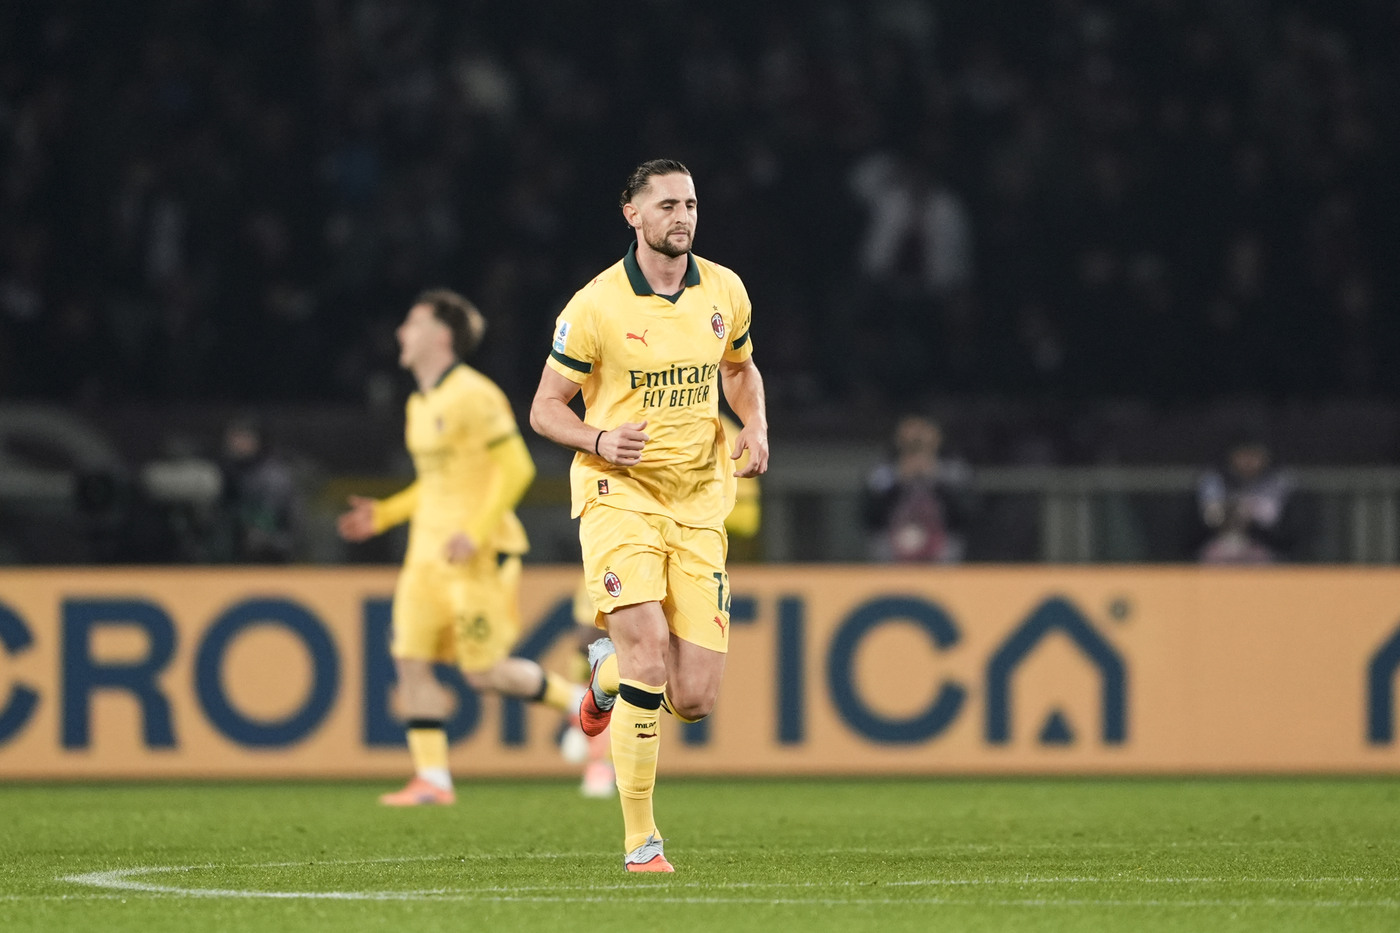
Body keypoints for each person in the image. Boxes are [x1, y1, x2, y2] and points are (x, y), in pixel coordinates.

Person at [530, 159, 770, 872]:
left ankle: (601, 678)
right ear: (631, 214)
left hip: (699, 501)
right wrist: (599, 438)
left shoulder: (724, 288)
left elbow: (738, 367)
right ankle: (642, 841)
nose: (683, 216)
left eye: (691, 203)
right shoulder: (594, 306)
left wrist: (754, 425)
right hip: (618, 494)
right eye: (667, 204)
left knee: (692, 697)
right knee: (646, 651)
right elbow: (544, 408)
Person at [338, 289, 581, 806]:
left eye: (412, 322)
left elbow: (519, 467)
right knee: (410, 660)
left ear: (441, 336)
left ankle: (581, 702)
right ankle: (434, 779)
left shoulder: (475, 393)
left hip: (477, 554)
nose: (402, 333)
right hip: (425, 557)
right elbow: (435, 482)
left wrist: (476, 529)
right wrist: (384, 514)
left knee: (483, 673)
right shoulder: (419, 403)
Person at [563, 411, 761, 800]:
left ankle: (604, 679)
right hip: (623, 530)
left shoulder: (724, 431)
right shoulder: (628, 403)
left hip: (690, 544)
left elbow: (749, 516)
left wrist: (693, 500)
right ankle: (599, 764)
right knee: (609, 644)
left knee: (683, 688)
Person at [862, 414, 973, 563]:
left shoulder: (953, 470)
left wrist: (936, 481)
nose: (916, 438)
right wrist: (898, 482)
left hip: (940, 541)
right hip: (893, 539)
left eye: (922, 433)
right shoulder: (883, 471)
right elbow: (870, 514)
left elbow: (965, 514)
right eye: (911, 433)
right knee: (880, 545)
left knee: (952, 546)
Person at [1194, 432, 1299, 564]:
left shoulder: (1277, 483)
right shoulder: (1214, 480)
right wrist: (1230, 512)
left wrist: (1250, 515)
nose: (1248, 461)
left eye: (1254, 456)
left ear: (1265, 457)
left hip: (1265, 551)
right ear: (1232, 457)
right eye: (1243, 455)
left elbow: (1280, 529)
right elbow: (1208, 520)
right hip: (1217, 550)